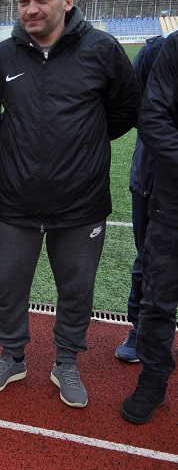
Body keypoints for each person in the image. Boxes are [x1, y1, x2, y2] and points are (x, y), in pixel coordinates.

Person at [0, 0, 139, 408]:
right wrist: (17, 140)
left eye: (42, 0)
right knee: (9, 285)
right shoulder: (1, 57)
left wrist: (84, 143)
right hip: (16, 200)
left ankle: (65, 360)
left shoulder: (102, 50)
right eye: (24, 1)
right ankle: (12, 355)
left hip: (82, 203)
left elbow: (126, 110)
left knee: (76, 288)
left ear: (66, 2)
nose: (31, 9)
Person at [121, 31, 178, 424]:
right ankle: (153, 375)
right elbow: (148, 114)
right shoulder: (164, 49)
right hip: (165, 192)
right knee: (157, 285)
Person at [115, 32, 170, 363]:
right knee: (148, 258)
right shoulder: (156, 50)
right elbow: (134, 110)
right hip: (152, 178)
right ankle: (141, 329)